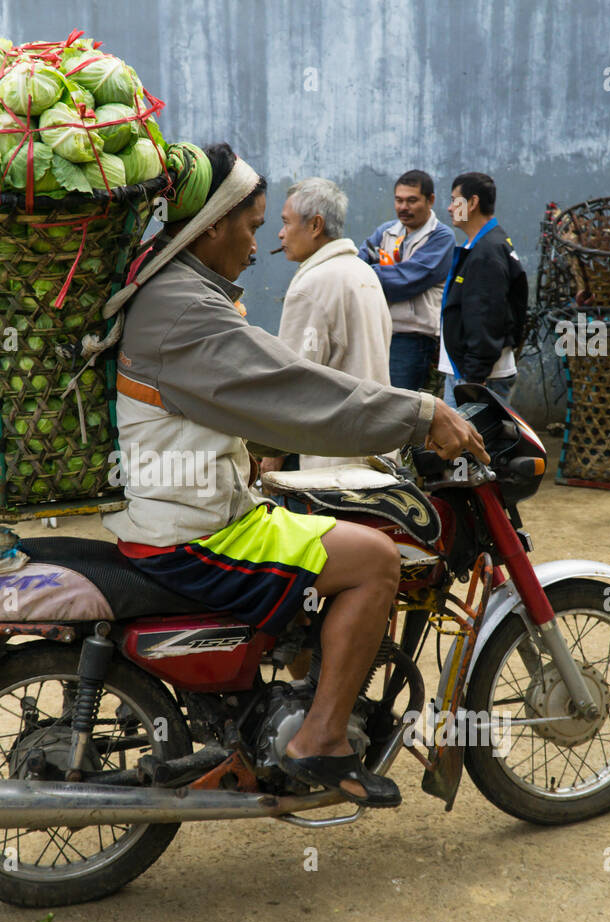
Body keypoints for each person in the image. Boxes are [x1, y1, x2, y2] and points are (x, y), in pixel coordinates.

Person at [100, 144, 488, 808]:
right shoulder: (184, 304)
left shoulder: (174, 293)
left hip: (188, 509)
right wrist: (421, 411)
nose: (259, 245)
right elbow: (294, 389)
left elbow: (249, 401)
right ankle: (320, 740)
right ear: (213, 224)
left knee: (330, 530)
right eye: (253, 226)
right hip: (195, 533)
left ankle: (294, 705)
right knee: (373, 561)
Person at [269, 176, 392, 471]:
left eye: (286, 223)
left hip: (329, 461)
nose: (280, 234)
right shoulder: (364, 272)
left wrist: (273, 453)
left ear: (315, 225)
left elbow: (294, 382)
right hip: (376, 448)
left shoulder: (312, 284)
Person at [437, 171, 528, 404]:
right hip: (470, 373)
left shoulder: (487, 252)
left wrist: (474, 379)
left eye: (454, 199)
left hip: (478, 378)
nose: (449, 208)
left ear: (473, 202)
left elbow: (486, 317)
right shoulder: (485, 244)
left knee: (471, 441)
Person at [361, 170, 455, 391]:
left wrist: (370, 275)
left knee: (399, 404)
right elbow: (356, 264)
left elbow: (404, 282)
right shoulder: (386, 231)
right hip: (377, 331)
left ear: (430, 200)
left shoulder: (441, 238)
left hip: (412, 338)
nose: (403, 207)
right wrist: (376, 273)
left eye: (412, 200)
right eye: (399, 200)